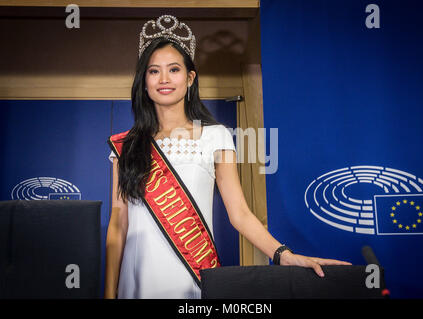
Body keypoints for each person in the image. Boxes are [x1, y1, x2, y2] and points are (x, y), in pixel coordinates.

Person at [104, 15, 351, 299]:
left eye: (173, 69)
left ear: (190, 77)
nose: (163, 79)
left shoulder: (214, 136)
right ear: (144, 80)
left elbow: (240, 214)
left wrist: (283, 254)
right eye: (153, 71)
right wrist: (109, 293)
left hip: (190, 280)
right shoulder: (125, 145)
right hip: (136, 282)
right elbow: (118, 223)